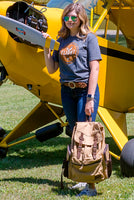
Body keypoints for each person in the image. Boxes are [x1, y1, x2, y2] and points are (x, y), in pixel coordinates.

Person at [43, 3, 102, 197]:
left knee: (86, 137)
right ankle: (81, 178)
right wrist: (45, 49)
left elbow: (95, 69)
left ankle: (91, 186)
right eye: (67, 17)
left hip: (86, 91)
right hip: (67, 92)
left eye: (73, 17)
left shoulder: (89, 38)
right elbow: (52, 69)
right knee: (76, 135)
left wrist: (91, 98)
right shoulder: (62, 40)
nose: (70, 20)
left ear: (81, 18)